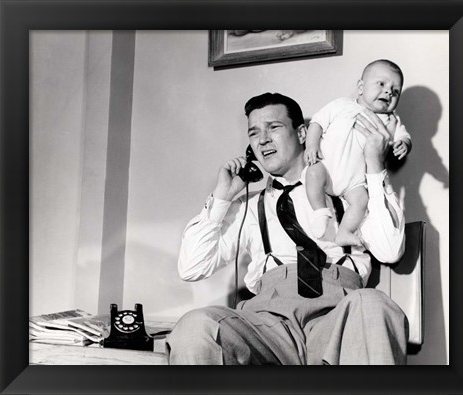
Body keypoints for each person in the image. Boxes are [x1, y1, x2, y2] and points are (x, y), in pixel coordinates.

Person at [166, 92, 408, 365]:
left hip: (339, 319)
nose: (263, 139)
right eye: (254, 133)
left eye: (274, 127)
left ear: (303, 133)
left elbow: (390, 250)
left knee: (374, 305)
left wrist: (374, 167)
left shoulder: (349, 191)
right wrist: (222, 198)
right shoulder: (250, 205)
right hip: (270, 328)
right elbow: (191, 267)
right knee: (197, 326)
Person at [304, 60, 412, 247]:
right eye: (381, 84)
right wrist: (311, 145)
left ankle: (344, 232)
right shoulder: (341, 105)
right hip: (327, 168)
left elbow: (404, 136)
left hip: (353, 183)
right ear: (361, 87)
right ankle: (320, 212)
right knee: (312, 174)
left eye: (395, 91)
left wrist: (404, 144)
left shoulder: (391, 120)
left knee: (361, 201)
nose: (388, 92)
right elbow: (317, 123)